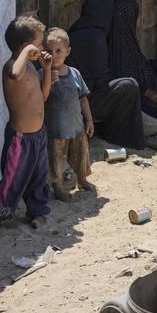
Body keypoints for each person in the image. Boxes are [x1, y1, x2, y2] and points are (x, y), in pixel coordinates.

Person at [0, 16, 53, 235]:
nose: (42, 48)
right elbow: (15, 74)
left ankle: (37, 211)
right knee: (12, 179)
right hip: (20, 139)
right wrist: (27, 51)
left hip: (38, 135)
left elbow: (43, 96)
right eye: (39, 44)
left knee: (39, 176)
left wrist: (47, 69)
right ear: (25, 47)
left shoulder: (31, 68)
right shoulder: (12, 67)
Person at [67, 0, 146, 148]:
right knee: (129, 86)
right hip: (85, 102)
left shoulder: (76, 30)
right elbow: (100, 79)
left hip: (76, 97)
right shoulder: (96, 37)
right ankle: (119, 137)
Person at [43, 28, 95, 200]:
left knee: (80, 155)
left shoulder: (75, 73)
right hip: (56, 129)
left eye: (59, 51)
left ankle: (81, 179)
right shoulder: (42, 76)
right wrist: (48, 81)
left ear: (68, 51)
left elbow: (83, 99)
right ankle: (57, 186)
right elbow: (40, 100)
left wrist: (89, 120)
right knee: (55, 160)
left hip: (76, 127)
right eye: (50, 51)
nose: (54, 55)